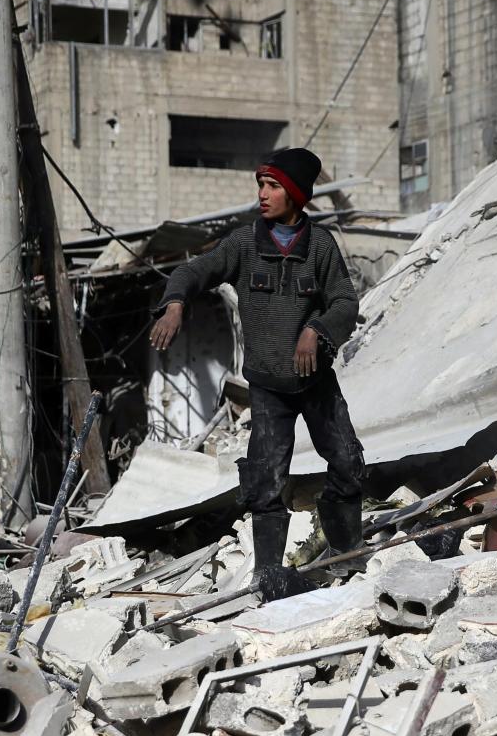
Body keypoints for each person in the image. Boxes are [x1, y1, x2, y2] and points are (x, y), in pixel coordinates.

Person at [149, 147, 366, 600]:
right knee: (265, 483)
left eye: (272, 187)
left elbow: (345, 301)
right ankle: (268, 577)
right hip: (268, 389)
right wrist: (175, 303)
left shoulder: (321, 246)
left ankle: (348, 558)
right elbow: (195, 270)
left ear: (295, 195)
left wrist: (316, 329)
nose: (262, 195)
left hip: (315, 383)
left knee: (347, 464)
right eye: (260, 186)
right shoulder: (244, 244)